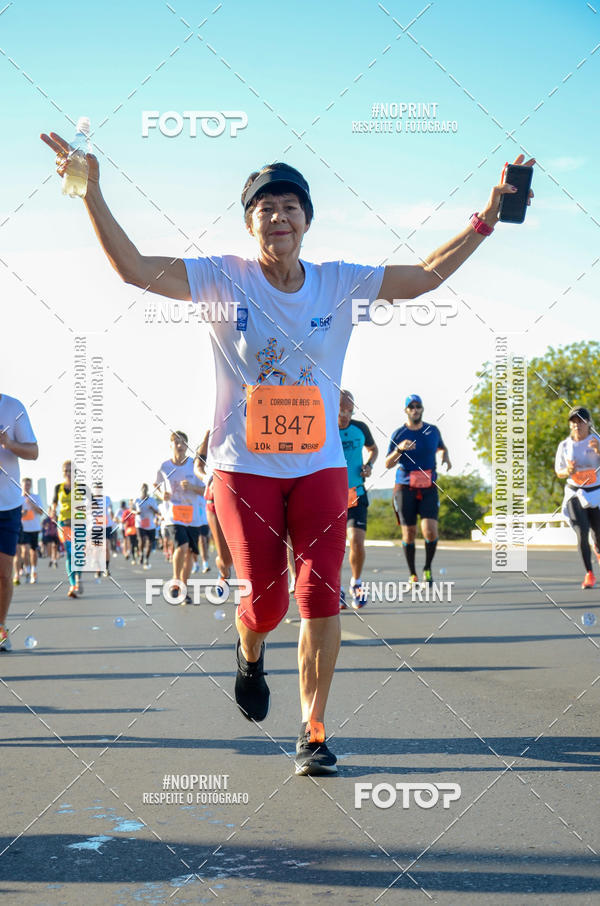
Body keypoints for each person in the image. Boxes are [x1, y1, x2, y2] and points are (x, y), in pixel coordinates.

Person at [40, 129, 534, 775]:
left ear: (306, 220)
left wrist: (489, 214)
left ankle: (314, 730)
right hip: (244, 470)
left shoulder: (338, 282)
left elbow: (424, 277)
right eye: (265, 207)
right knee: (266, 602)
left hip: (322, 466)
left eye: (290, 206)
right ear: (251, 223)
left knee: (320, 596)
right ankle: (250, 654)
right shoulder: (221, 277)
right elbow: (133, 268)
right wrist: (91, 192)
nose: (279, 216)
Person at [386, 395, 451, 585]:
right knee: (409, 533)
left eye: (418, 406)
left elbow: (442, 448)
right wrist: (399, 449)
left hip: (429, 487)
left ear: (422, 409)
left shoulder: (432, 431)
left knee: (430, 530)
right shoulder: (398, 434)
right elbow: (387, 463)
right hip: (405, 488)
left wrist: (446, 457)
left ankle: (427, 569)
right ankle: (412, 573)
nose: (415, 410)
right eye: (411, 407)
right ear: (406, 410)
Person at [0, 394, 39, 650]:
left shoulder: (12, 407)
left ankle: (0, 628)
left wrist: (9, 444)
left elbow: (34, 451)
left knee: (3, 576)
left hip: (7, 505)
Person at [338, 390, 378, 609]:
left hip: (356, 493)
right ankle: (338, 589)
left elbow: (373, 449)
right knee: (335, 548)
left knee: (356, 541)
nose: (345, 416)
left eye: (349, 411)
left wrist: (369, 466)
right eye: (341, 411)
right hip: (331, 495)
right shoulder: (322, 428)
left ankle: (356, 582)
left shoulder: (360, 428)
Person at [155, 431, 205, 603]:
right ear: (171, 445)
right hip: (173, 515)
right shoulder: (164, 467)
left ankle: (183, 588)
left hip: (193, 516)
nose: (180, 445)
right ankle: (176, 581)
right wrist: (162, 495)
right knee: (182, 546)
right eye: (176, 442)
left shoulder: (195, 465)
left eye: (183, 442)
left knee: (190, 553)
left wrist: (192, 487)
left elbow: (206, 490)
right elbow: (156, 486)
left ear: (187, 445)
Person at [555, 406, 600, 589]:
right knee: (581, 532)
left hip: (596, 491)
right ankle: (589, 573)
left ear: (588, 423)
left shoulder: (596, 440)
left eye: (581, 421)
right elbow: (559, 472)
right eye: (574, 422)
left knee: (598, 533)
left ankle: (597, 549)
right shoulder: (565, 446)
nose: (577, 425)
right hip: (575, 492)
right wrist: (568, 470)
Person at [52, 460, 82, 598]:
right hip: (64, 523)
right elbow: (54, 504)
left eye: (70, 470)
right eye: (66, 470)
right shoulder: (58, 487)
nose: (68, 473)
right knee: (70, 552)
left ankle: (78, 579)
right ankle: (73, 584)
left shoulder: (81, 487)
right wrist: (52, 511)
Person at [15, 477, 44, 585]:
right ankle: (27, 571)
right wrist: (22, 513)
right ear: (21, 486)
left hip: (34, 528)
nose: (27, 486)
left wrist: (32, 505)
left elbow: (41, 512)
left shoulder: (36, 497)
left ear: (30, 486)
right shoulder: (18, 498)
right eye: (25, 485)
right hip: (23, 528)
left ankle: (33, 571)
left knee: (33, 552)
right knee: (25, 551)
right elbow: (15, 514)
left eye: (28, 484)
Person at [134, 483, 159, 570]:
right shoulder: (136, 500)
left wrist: (152, 509)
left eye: (145, 488)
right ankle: (141, 554)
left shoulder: (152, 500)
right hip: (140, 524)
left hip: (150, 525)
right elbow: (131, 510)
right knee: (142, 540)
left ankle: (146, 559)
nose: (144, 489)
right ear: (140, 489)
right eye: (142, 488)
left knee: (150, 543)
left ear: (147, 489)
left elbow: (157, 512)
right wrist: (136, 512)